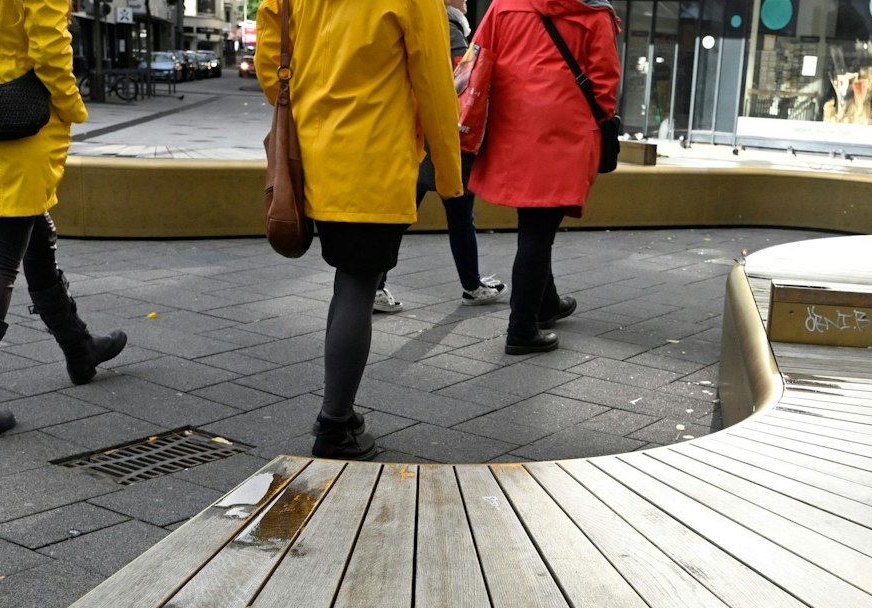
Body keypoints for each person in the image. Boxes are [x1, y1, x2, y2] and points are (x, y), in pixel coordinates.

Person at [257, 0, 464, 460]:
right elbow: (433, 85)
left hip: (310, 156)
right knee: (357, 283)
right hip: (373, 157)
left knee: (347, 281)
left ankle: (340, 412)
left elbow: (269, 62)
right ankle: (334, 424)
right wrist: (449, 177)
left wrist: (312, 111)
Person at [0, 0, 127, 444]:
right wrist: (72, 106)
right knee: (2, 254)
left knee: (33, 232)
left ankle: (80, 348)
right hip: (25, 110)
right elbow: (50, 46)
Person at [466, 0, 620, 355]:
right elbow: (604, 83)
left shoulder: (505, 5)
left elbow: (477, 59)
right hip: (564, 129)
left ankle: (546, 303)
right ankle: (521, 327)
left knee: (535, 219)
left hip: (512, 125)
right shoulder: (594, 12)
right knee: (538, 228)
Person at [371, 0, 504, 316]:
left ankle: (374, 283)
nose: (468, 1)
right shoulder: (447, 26)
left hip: (413, 136)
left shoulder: (419, 19)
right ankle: (471, 286)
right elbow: (461, 80)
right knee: (459, 214)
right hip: (440, 140)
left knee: (401, 217)